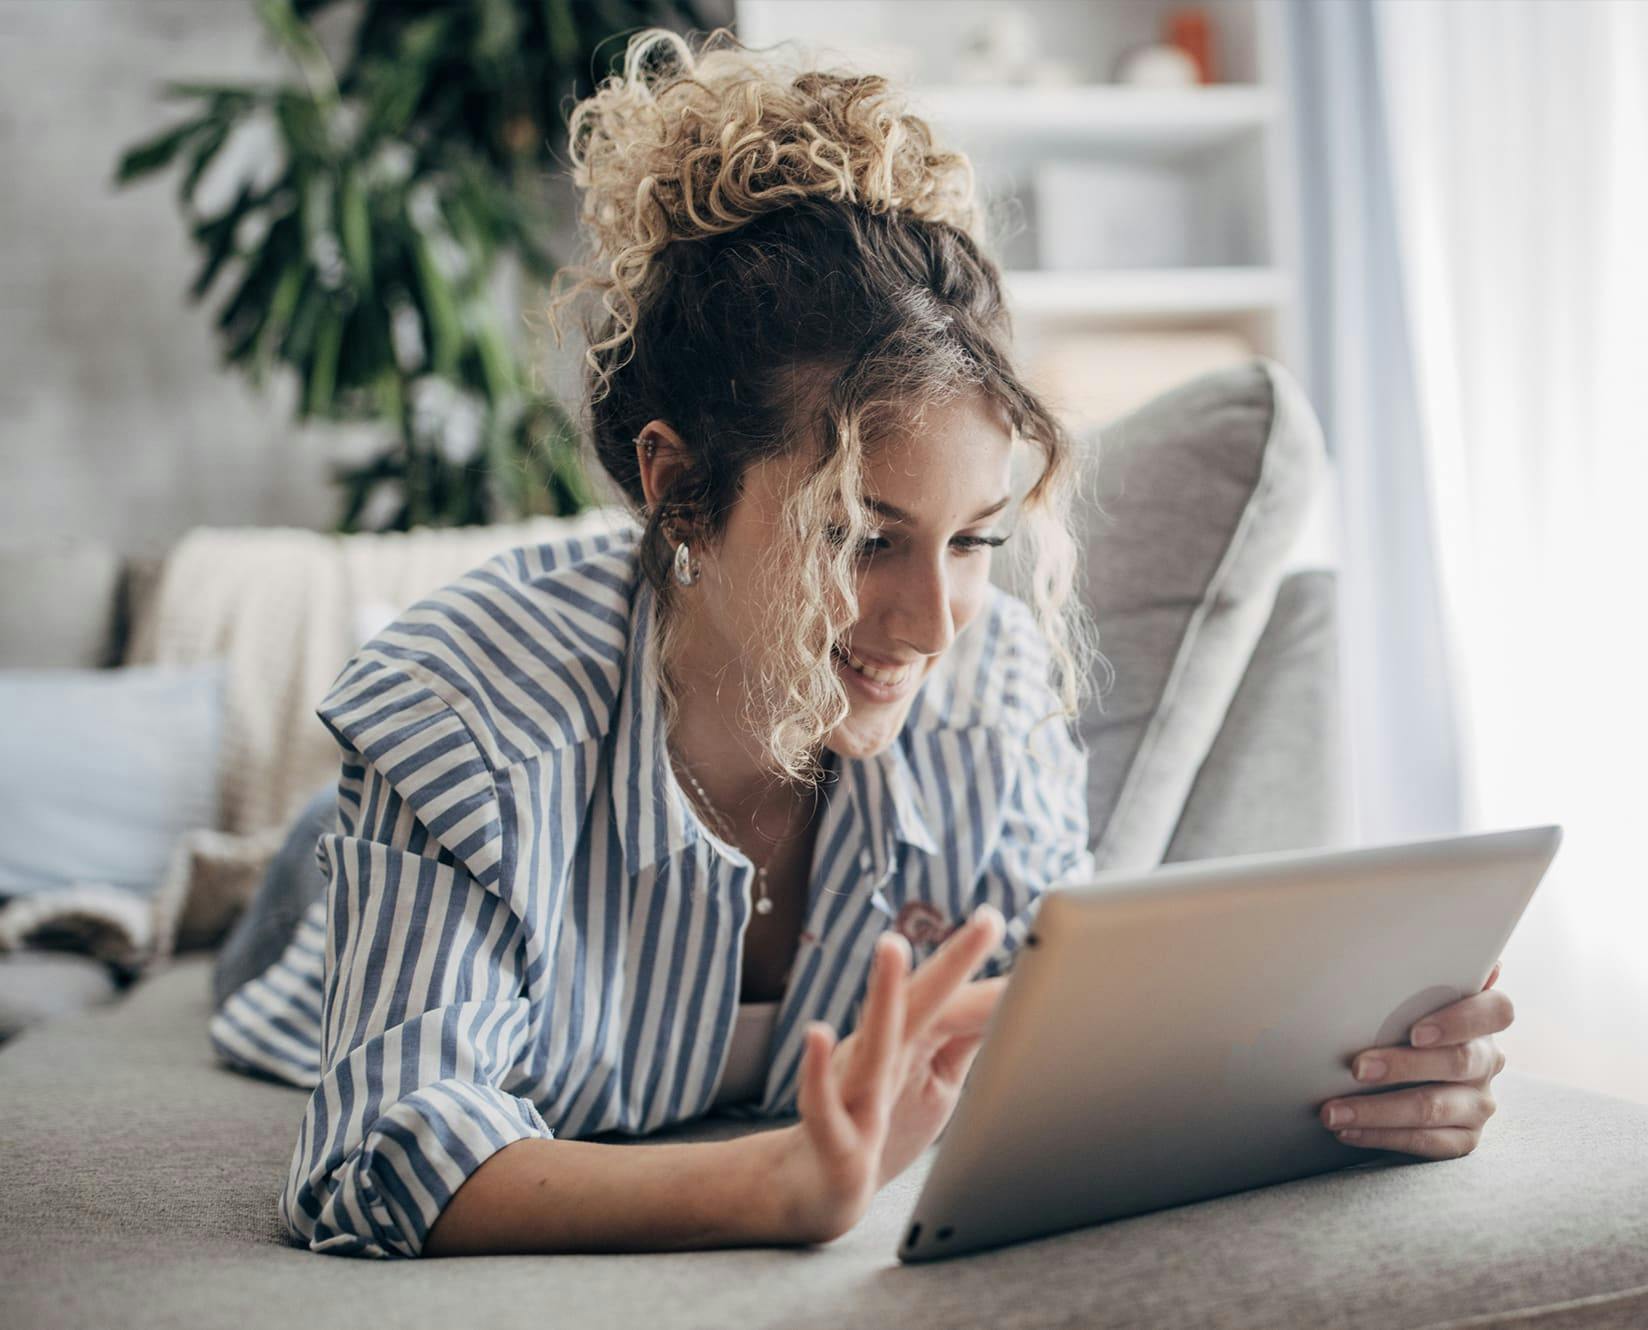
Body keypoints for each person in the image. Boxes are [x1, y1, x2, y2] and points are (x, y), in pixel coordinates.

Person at [208, 26, 1514, 1261]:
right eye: (860, 536)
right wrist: (773, 1181)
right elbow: (372, 1155)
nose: (933, 623)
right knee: (298, 872)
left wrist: (1362, 1077)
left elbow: (1050, 1035)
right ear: (677, 489)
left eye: (971, 541)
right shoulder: (464, 717)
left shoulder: (986, 687)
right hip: (325, 904)